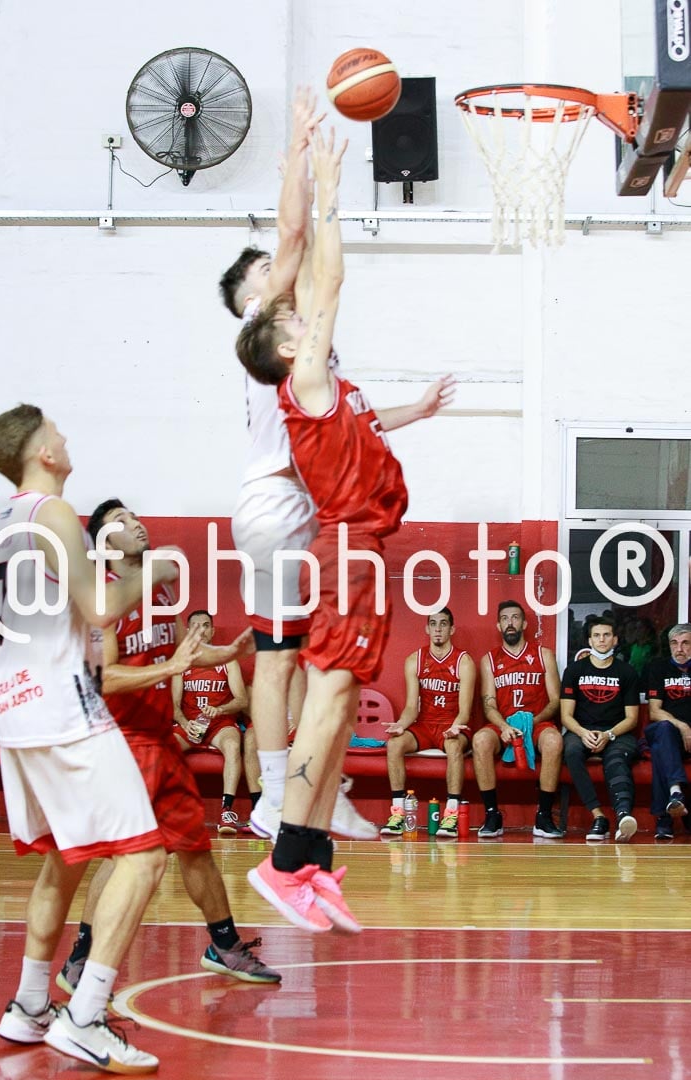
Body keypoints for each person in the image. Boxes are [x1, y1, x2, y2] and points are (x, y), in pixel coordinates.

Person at [236, 126, 454, 933]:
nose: (305, 318)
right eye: (294, 321)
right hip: (345, 548)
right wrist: (329, 187)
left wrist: (416, 411)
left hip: (361, 549)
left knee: (336, 694)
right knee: (327, 698)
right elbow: (327, 275)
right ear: (286, 347)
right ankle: (286, 855)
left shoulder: (334, 387)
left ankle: (312, 855)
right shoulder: (306, 380)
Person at [0, 404, 185, 1074]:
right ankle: (86, 1016)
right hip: (60, 705)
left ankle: (29, 1004)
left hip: (14, 707)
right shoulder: (54, 513)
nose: (66, 438)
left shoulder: (5, 522)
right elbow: (101, 609)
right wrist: (152, 573)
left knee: (65, 859)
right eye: (56, 433)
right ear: (41, 452)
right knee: (145, 857)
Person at [221, 88, 375, 845]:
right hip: (281, 505)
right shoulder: (264, 321)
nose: (276, 265)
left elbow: (311, 252)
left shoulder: (297, 335)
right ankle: (286, 796)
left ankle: (303, 790)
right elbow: (293, 236)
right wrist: (300, 157)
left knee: (302, 655)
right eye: (263, 269)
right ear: (250, 298)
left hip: (287, 506)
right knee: (292, 657)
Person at [56, 500, 278, 989]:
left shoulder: (158, 590)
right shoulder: (102, 601)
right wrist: (172, 669)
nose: (135, 524)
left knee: (196, 849)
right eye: (121, 522)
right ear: (104, 545)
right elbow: (103, 678)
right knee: (125, 858)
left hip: (160, 744)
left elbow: (185, 652)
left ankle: (224, 945)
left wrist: (228, 652)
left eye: (135, 516)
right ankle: (81, 958)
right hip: (121, 743)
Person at [471, 600, 564, 839]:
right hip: (503, 724)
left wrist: (531, 723)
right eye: (504, 619)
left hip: (537, 722)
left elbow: (555, 701)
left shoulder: (543, 655)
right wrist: (504, 726)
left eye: (515, 618)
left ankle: (543, 816)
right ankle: (492, 815)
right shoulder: (489, 660)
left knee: (554, 741)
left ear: (523, 624)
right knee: (480, 740)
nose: (510, 623)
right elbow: (489, 703)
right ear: (498, 626)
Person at [380, 609, 475, 838]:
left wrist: (455, 726)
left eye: (443, 624)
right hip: (424, 725)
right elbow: (411, 707)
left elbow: (465, 711)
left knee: (454, 746)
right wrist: (401, 724)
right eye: (433, 624)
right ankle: (398, 813)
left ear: (452, 629)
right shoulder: (415, 660)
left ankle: (451, 814)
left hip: (452, 724)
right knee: (394, 744)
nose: (438, 629)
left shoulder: (464, 661)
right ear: (427, 629)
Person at [560, 614, 640, 843]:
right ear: (590, 640)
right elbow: (566, 716)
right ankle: (599, 817)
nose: (602, 640)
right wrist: (583, 733)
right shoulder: (574, 671)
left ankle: (623, 816)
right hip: (581, 730)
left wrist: (608, 734)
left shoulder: (626, 672)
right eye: (596, 635)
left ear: (615, 639)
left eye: (606, 635)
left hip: (617, 732)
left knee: (616, 757)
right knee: (571, 751)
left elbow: (632, 718)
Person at [172, 610, 252, 834]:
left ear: (213, 631)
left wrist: (220, 709)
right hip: (191, 724)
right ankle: (167, 809)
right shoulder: (181, 662)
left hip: (219, 723)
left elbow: (242, 700)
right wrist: (184, 722)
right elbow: (174, 705)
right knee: (165, 748)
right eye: (196, 626)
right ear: (188, 631)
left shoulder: (227, 660)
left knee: (233, 745)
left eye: (206, 625)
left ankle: (226, 811)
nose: (201, 630)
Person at [644, 622, 691, 840]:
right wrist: (682, 726)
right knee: (664, 730)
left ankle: (665, 819)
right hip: (668, 730)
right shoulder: (658, 668)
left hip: (674, 742)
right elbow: (654, 711)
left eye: (685, 643)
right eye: (674, 643)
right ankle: (675, 792)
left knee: (660, 751)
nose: (679, 649)